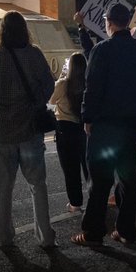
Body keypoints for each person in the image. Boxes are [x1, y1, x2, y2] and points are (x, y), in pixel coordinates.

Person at [71, 3, 136, 246]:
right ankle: (126, 230)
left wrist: (87, 118)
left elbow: (93, 87)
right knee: (128, 178)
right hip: (132, 125)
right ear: (128, 21)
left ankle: (93, 232)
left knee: (99, 181)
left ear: (109, 23)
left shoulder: (102, 50)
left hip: (106, 125)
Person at [0, 11, 56, 249]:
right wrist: (36, 102)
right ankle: (45, 236)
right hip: (30, 129)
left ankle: (3, 236)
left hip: (3, 130)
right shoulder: (35, 55)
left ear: (2, 30)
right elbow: (48, 84)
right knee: (37, 184)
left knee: (4, 188)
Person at [50, 52, 89, 211]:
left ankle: (75, 202)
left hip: (65, 128)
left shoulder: (63, 83)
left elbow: (51, 100)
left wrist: (61, 77)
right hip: (84, 127)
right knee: (88, 165)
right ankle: (97, 197)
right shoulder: (88, 82)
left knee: (70, 168)